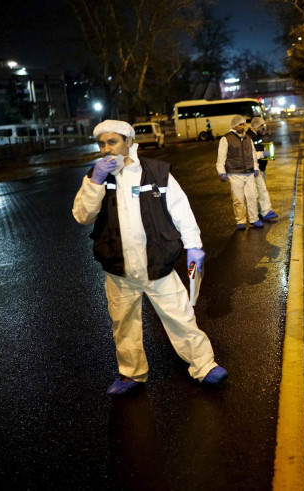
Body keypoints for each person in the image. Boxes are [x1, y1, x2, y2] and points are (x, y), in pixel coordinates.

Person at [72, 119, 228, 396]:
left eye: (113, 142)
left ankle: (204, 366)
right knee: (124, 324)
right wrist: (94, 180)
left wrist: (194, 245)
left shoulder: (157, 172)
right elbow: (83, 216)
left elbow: (181, 210)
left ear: (128, 142)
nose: (107, 149)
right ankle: (132, 374)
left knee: (180, 318)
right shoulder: (97, 177)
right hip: (118, 268)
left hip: (157, 263)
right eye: (102, 144)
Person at [216, 115, 263, 230]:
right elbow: (221, 157)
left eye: (243, 124)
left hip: (249, 173)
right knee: (238, 199)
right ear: (234, 125)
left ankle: (254, 219)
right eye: (240, 124)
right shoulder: (226, 139)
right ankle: (241, 221)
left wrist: (255, 167)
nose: (242, 126)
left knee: (252, 196)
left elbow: (252, 154)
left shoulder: (248, 138)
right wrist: (221, 172)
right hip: (235, 173)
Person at [246, 116, 278, 221]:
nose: (262, 127)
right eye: (261, 126)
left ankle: (261, 212)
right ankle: (265, 212)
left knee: (259, 190)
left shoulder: (256, 135)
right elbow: (251, 154)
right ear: (256, 126)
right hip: (255, 167)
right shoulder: (249, 136)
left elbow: (258, 146)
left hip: (260, 166)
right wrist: (262, 154)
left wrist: (264, 149)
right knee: (261, 190)